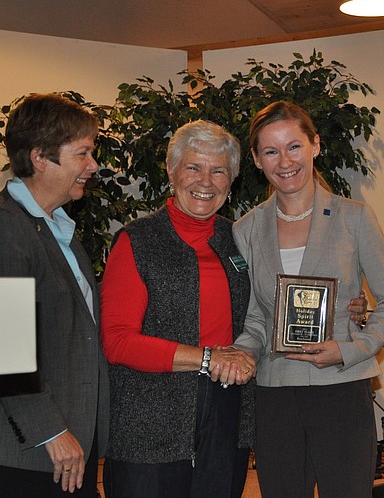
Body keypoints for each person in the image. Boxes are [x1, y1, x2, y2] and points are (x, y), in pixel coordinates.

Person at [228, 101, 384, 498]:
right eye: (271, 151)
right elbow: (256, 317)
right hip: (274, 392)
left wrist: (351, 349)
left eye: (294, 146)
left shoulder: (355, 217)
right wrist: (241, 354)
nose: (285, 161)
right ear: (257, 161)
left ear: (315, 146)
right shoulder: (245, 229)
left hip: (342, 388)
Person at [0, 93, 109, 497]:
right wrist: (52, 432)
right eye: (83, 154)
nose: (92, 166)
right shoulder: (0, 227)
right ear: (40, 157)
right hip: (22, 450)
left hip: (60, 447)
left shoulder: (56, 229)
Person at [99, 121, 256, 498]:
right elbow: (118, 342)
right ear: (171, 171)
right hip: (149, 420)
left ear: (231, 179)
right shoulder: (137, 240)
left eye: (218, 170)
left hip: (226, 409)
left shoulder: (240, 239)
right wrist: (206, 359)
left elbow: (270, 310)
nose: (206, 181)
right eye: (194, 167)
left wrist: (348, 305)